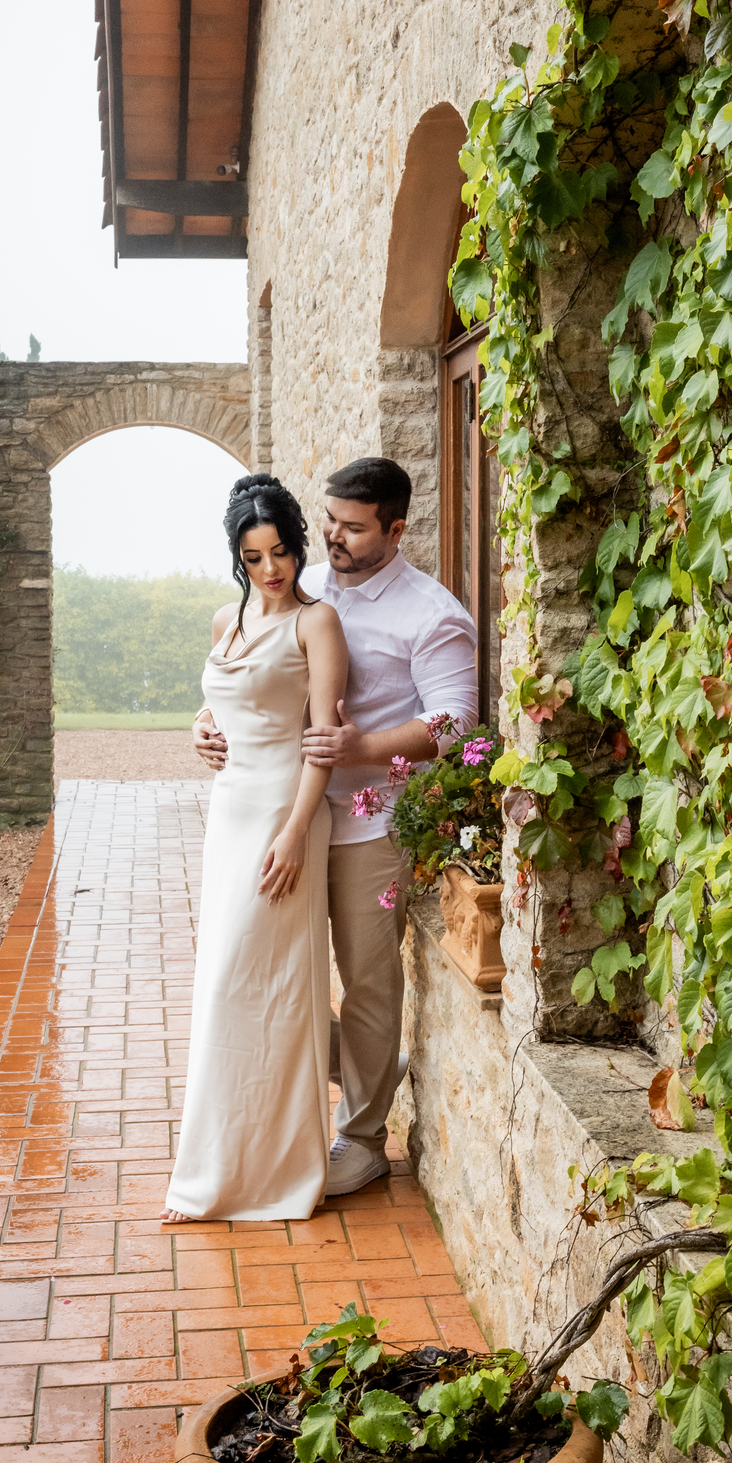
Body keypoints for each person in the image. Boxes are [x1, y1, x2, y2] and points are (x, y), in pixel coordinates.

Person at [193, 457, 478, 1196]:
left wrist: (365, 747)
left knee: (367, 985)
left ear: (396, 529)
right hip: (286, 812)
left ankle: (363, 1137)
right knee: (258, 968)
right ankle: (370, 1063)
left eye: (353, 527)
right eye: (329, 522)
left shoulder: (432, 612)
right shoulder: (302, 584)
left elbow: (457, 720)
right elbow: (259, 671)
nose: (333, 537)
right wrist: (209, 720)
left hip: (368, 824)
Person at [162, 474, 348, 1223]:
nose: (271, 569)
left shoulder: (316, 623)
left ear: (297, 547)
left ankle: (276, 1174)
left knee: (271, 988)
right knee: (224, 986)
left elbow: (323, 740)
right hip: (230, 813)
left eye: (280, 552)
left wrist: (297, 833)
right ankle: (216, 1171)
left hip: (284, 813)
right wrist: (198, 725)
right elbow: (221, 701)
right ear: (237, 559)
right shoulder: (226, 620)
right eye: (254, 557)